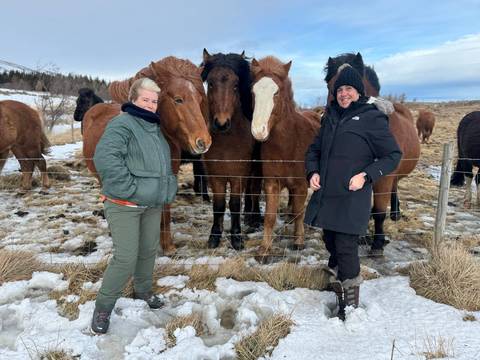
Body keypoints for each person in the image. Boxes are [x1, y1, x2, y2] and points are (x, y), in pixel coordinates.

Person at [304, 65, 402, 320]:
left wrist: (366, 176)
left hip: (351, 197)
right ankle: (339, 285)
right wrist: (312, 172)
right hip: (328, 195)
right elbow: (314, 150)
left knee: (346, 248)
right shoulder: (330, 118)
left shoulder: (372, 118)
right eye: (340, 90)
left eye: (349, 89)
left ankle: (350, 306)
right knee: (331, 243)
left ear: (358, 91)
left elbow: (393, 155)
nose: (344, 94)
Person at [91, 77, 177, 334]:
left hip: (150, 203)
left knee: (148, 250)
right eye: (145, 100)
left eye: (154, 101)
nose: (151, 105)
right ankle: (103, 307)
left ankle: (143, 290)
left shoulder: (153, 128)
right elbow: (105, 158)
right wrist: (130, 190)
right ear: (133, 99)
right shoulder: (123, 123)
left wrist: (165, 188)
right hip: (125, 203)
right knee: (125, 257)